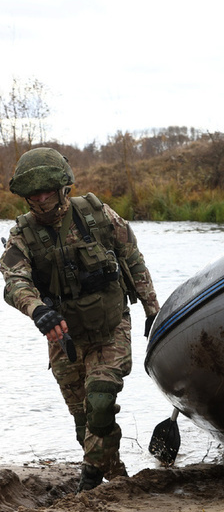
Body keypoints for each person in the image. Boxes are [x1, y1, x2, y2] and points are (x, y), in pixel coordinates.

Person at [0, 147, 160, 493]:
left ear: (62, 188)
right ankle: (117, 478)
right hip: (64, 337)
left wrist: (152, 310)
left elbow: (133, 259)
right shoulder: (22, 235)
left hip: (110, 326)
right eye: (33, 194)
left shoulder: (97, 215)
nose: (41, 200)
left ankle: (88, 480)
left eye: (46, 191)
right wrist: (38, 310)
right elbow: (14, 281)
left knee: (100, 401)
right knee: (84, 422)